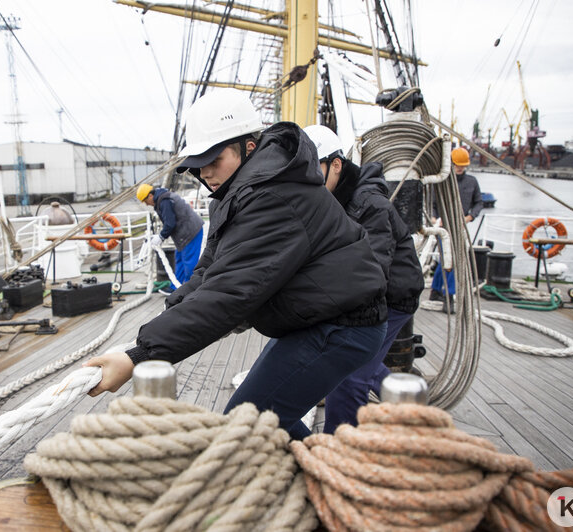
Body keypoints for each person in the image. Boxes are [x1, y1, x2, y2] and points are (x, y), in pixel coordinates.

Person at [86, 89, 388, 440]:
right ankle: (324, 471)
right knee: (256, 419)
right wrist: (164, 320)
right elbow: (211, 271)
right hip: (318, 318)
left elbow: (230, 293)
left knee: (246, 424)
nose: (206, 173)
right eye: (199, 165)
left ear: (248, 146)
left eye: (214, 160)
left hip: (343, 326)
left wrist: (139, 355)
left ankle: (332, 482)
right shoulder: (240, 192)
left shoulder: (272, 196)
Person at [303, 125, 424, 433]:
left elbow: (373, 272)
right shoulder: (325, 197)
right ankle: (406, 407)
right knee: (359, 362)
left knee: (347, 373)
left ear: (336, 165)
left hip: (392, 296)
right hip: (362, 290)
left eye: (311, 169)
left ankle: (339, 454)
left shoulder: (368, 203)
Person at [430, 147, 483, 304]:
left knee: (448, 259)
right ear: (451, 164)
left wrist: (470, 217)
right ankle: (449, 295)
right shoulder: (442, 182)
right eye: (457, 165)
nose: (460, 168)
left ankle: (436, 290)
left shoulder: (472, 182)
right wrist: (434, 219)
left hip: (460, 226)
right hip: (443, 225)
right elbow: (432, 203)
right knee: (450, 259)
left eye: (463, 165)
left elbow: (479, 202)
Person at [136, 183, 204, 292]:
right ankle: (175, 287)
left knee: (189, 263)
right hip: (183, 235)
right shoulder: (163, 198)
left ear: (150, 196)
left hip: (190, 232)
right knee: (179, 261)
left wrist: (161, 237)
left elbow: (170, 223)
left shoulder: (164, 201)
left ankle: (189, 289)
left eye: (145, 201)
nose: (146, 204)